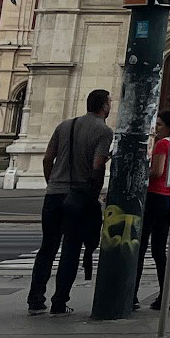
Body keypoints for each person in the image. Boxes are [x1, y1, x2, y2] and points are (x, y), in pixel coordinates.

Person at [27, 89, 112, 317]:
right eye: (109, 103)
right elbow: (96, 165)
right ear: (104, 106)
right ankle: (59, 301)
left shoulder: (65, 125)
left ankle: (35, 299)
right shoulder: (103, 131)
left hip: (54, 194)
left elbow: (47, 158)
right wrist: (96, 191)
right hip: (79, 196)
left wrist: (51, 182)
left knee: (47, 248)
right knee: (71, 249)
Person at [136, 112, 170, 311]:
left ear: (167, 126)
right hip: (168, 197)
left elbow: (157, 172)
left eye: (159, 124)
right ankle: (163, 295)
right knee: (159, 251)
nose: (155, 128)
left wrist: (141, 173)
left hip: (155, 196)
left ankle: (131, 293)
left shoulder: (162, 145)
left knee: (140, 247)